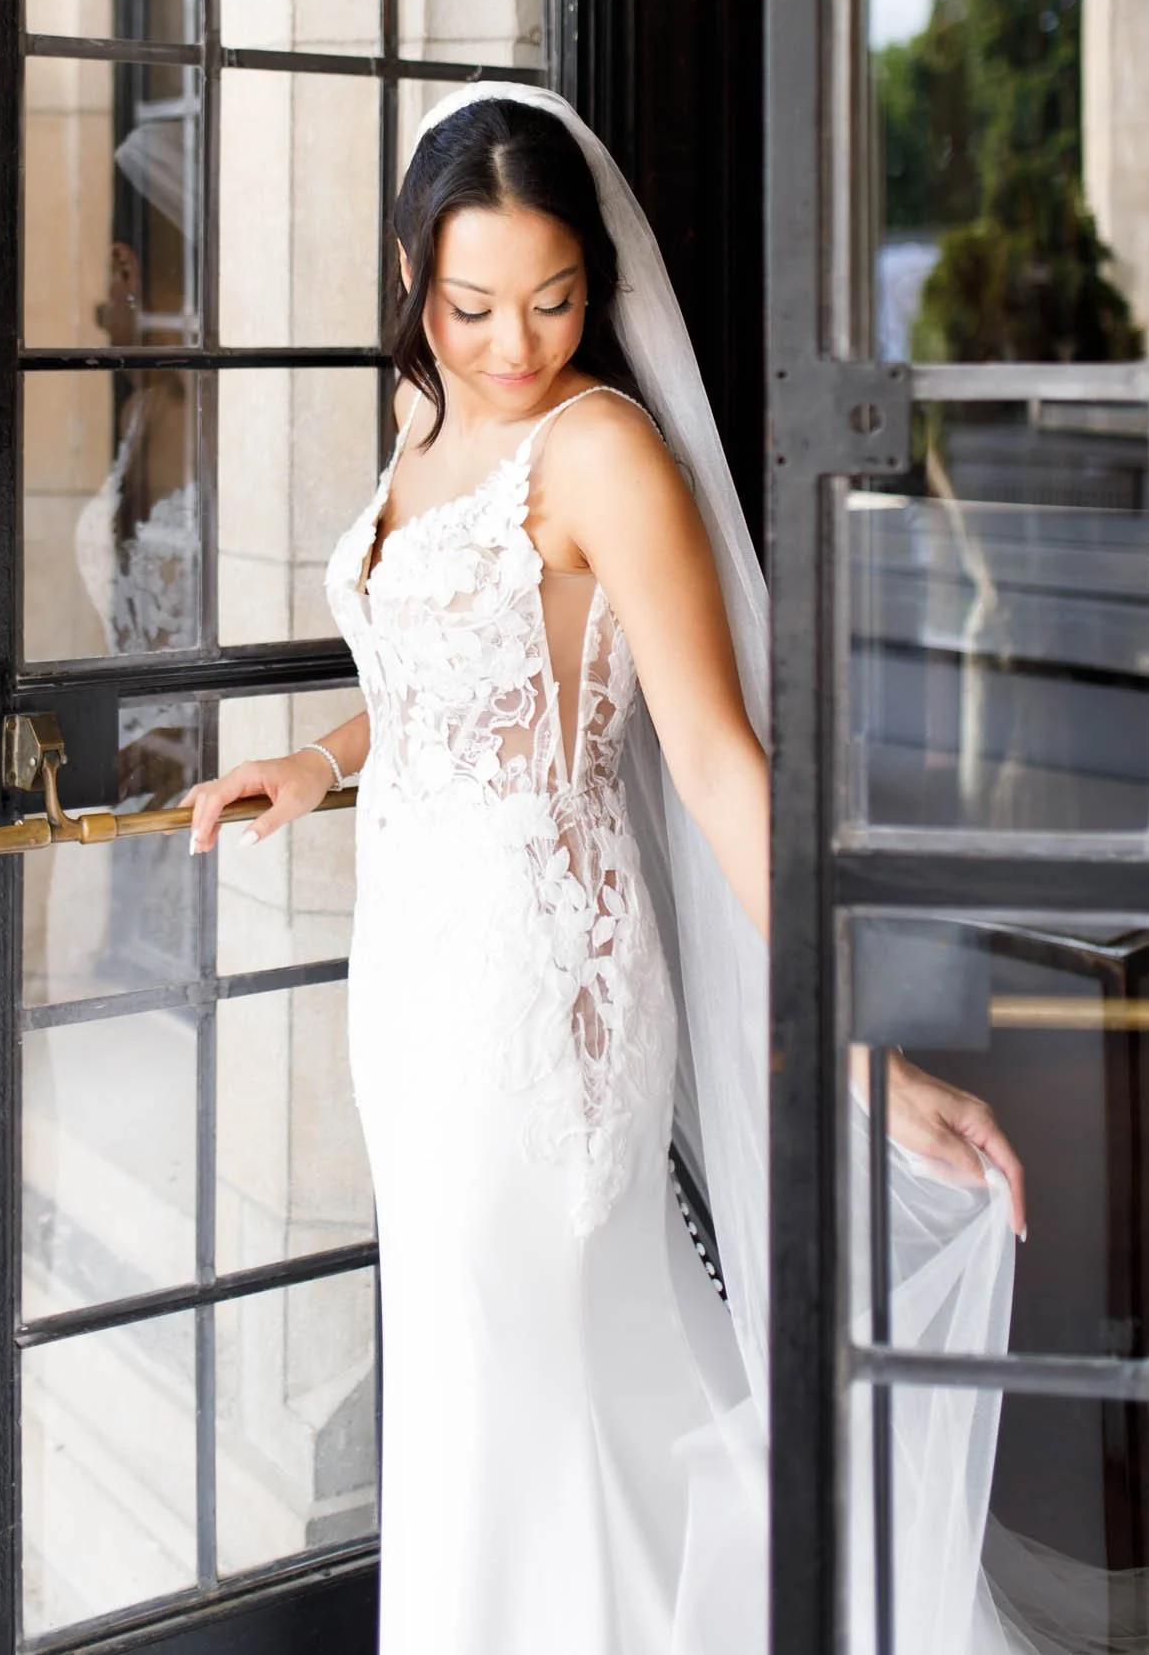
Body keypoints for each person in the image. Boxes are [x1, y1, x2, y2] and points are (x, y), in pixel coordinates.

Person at [184, 84, 1043, 1655]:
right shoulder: (423, 417)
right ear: (410, 276)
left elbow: (714, 761)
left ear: (597, 278)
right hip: (412, 990)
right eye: (470, 306)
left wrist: (858, 1051)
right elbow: (449, 673)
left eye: (554, 299)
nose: (513, 344)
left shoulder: (601, 454)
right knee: (472, 1389)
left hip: (543, 1003)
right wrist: (315, 761)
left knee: (547, 1392)